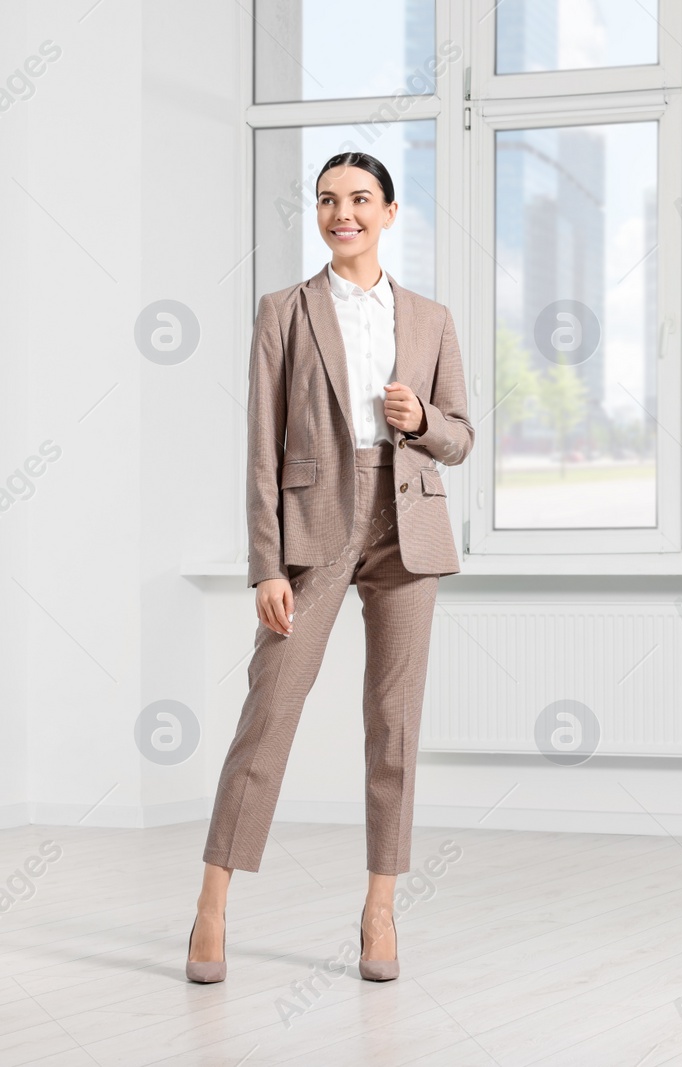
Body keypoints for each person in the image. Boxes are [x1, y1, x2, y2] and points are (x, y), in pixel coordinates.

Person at [185, 151, 474, 984]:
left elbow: (460, 435)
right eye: (326, 200)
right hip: (315, 523)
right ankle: (213, 902)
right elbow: (259, 449)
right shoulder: (284, 310)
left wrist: (421, 418)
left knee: (395, 724)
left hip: (407, 524)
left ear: (388, 211)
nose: (340, 213)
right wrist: (265, 564)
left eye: (357, 199)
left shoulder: (430, 318)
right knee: (268, 711)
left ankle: (380, 909)